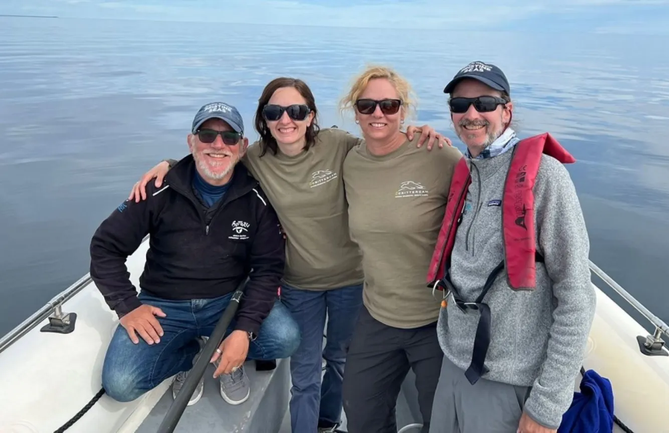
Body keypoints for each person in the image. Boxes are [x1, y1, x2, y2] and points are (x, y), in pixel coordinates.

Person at [127, 78, 451, 433]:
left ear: (311, 116)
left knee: (340, 360)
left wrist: (418, 134)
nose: (286, 120)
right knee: (305, 372)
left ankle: (328, 422)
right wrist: (169, 164)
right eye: (274, 112)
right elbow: (214, 159)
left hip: (353, 280)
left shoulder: (339, 144)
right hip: (299, 283)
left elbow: (382, 145)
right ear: (263, 120)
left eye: (296, 111)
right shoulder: (255, 159)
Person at [425, 61, 597, 433]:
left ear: (507, 110)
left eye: (485, 102)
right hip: (454, 365)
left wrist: (546, 406)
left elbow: (577, 297)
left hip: (509, 383)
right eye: (459, 105)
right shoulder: (466, 171)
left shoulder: (546, 177)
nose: (472, 114)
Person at [92, 102, 300, 407]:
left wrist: (244, 330)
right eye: (207, 135)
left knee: (285, 337)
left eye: (229, 137)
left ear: (242, 147)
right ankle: (192, 357)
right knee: (121, 383)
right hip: (164, 306)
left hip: (226, 303)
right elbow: (104, 247)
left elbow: (268, 268)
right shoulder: (158, 189)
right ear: (191, 141)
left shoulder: (256, 198)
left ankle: (228, 352)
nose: (218, 145)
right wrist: (127, 306)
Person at [339, 65, 464, 433]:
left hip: (435, 321)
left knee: (442, 422)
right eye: (367, 106)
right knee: (361, 415)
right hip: (377, 314)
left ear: (403, 111)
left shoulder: (437, 156)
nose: (378, 113)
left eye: (389, 105)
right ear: (355, 112)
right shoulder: (350, 162)